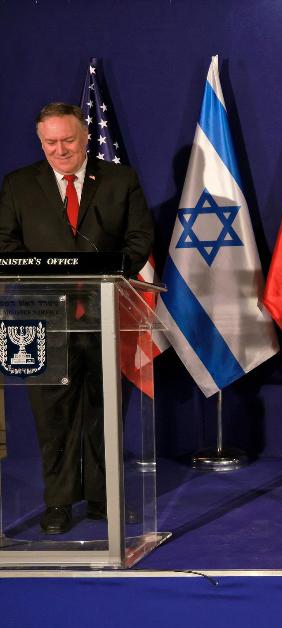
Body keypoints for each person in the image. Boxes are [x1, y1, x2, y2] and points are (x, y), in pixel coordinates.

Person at [0, 103, 154, 535]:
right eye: (50, 142)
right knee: (53, 415)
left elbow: (140, 236)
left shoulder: (120, 179)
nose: (60, 149)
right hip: (39, 316)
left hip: (105, 309)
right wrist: (48, 274)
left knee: (101, 410)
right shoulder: (18, 185)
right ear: (40, 141)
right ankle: (59, 503)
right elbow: (5, 244)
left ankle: (105, 499)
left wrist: (109, 272)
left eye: (68, 140)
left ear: (85, 138)